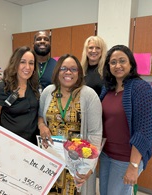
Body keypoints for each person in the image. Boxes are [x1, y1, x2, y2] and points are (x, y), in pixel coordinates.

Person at [99, 45, 152, 195]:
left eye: (122, 61)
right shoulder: (107, 88)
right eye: (113, 62)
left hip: (125, 158)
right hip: (106, 155)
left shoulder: (140, 88)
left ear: (131, 64)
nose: (117, 65)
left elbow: (145, 131)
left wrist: (133, 165)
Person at [38, 54, 103, 195]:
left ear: (79, 73)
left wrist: (89, 167)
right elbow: (40, 117)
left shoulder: (89, 95)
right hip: (52, 159)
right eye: (64, 68)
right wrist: (42, 126)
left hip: (77, 162)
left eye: (73, 69)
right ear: (57, 71)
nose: (68, 72)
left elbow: (95, 134)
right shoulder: (48, 92)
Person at [0, 46, 40, 144]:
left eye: (31, 63)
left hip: (33, 145)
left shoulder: (35, 87)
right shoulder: (2, 88)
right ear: (15, 63)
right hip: (10, 144)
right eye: (22, 62)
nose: (27, 67)